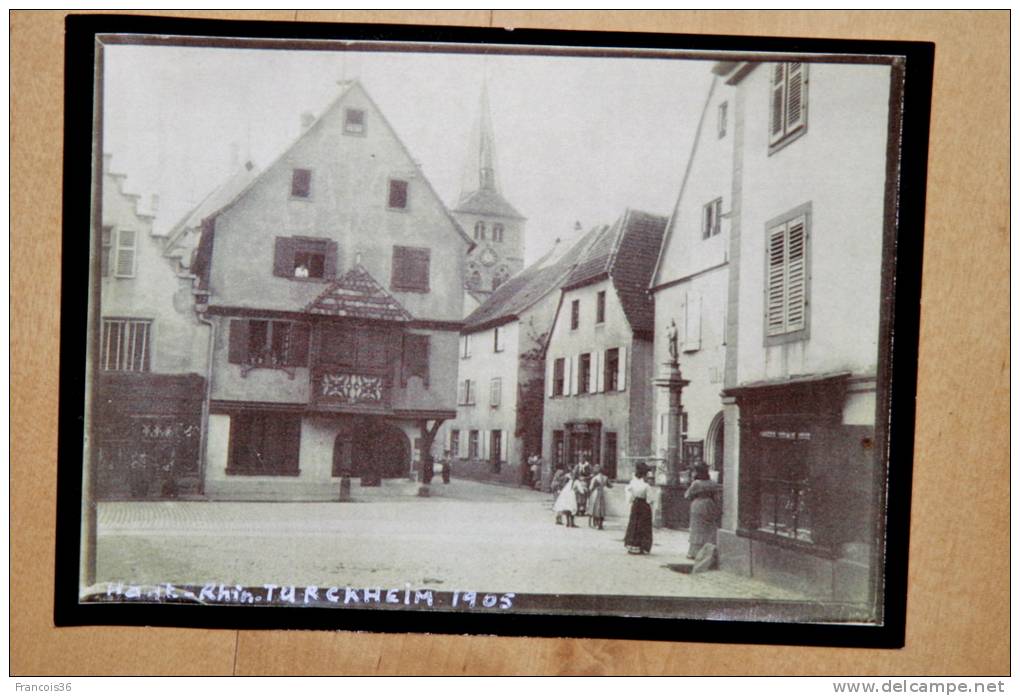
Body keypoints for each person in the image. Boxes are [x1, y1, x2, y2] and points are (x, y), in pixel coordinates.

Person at [685, 464, 722, 559]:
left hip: (698, 505)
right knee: (709, 527)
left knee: (697, 528)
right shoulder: (712, 483)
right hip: (710, 505)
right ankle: (708, 551)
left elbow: (687, 495)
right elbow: (717, 497)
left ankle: (695, 552)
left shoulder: (696, 483)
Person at [624, 462, 653, 554]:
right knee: (643, 525)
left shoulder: (633, 483)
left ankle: (632, 545)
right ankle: (642, 546)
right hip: (644, 506)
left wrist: (631, 500)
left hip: (635, 505)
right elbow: (650, 499)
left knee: (634, 524)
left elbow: (629, 494)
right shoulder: (646, 486)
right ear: (644, 475)